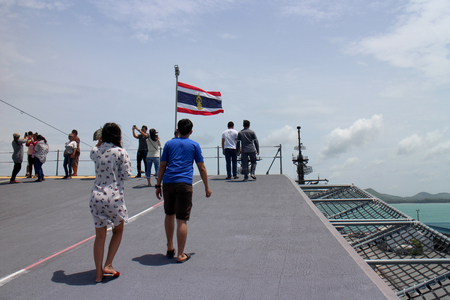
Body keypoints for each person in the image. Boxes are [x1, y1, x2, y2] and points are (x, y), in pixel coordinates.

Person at [155, 119, 211, 263]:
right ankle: (180, 254)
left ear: (177, 130)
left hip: (168, 183)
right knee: (182, 219)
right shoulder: (194, 145)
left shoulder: (168, 144)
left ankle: (169, 246)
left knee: (169, 214)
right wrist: (206, 186)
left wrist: (157, 185)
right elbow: (201, 167)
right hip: (184, 184)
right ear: (191, 131)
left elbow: (162, 166)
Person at [89, 122, 132, 283]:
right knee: (117, 231)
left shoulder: (95, 151)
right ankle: (108, 264)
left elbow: (95, 150)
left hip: (96, 196)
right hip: (114, 196)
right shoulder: (120, 152)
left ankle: (98, 274)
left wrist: (100, 142)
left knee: (100, 236)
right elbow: (126, 175)